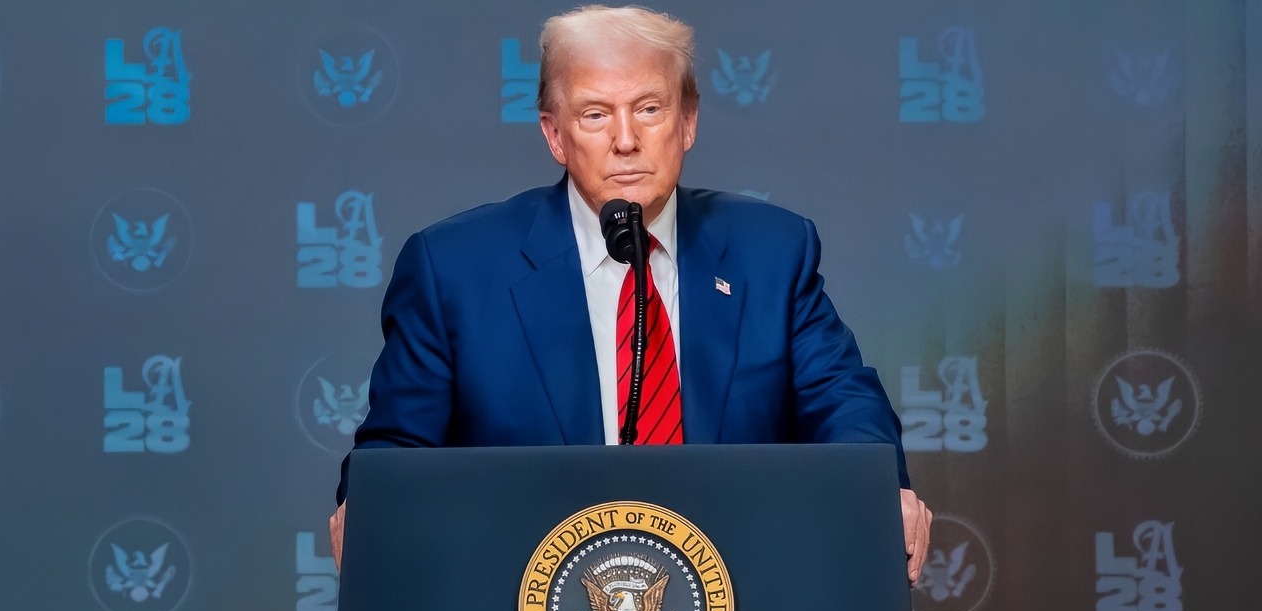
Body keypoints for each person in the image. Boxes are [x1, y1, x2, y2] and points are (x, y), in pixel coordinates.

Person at [330, 4, 931, 579]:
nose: (625, 139)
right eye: (595, 114)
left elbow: (844, 402)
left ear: (688, 121)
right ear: (555, 136)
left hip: (738, 592)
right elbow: (395, 448)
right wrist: (369, 502)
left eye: (649, 108)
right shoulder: (454, 268)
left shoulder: (771, 251)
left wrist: (881, 490)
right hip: (520, 602)